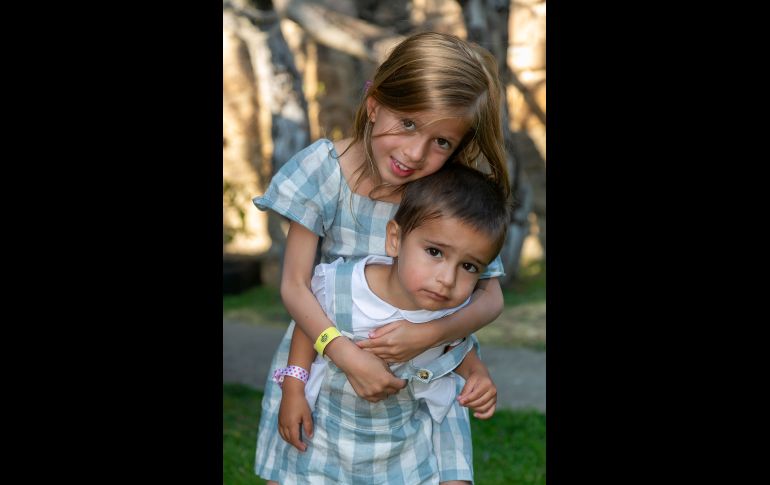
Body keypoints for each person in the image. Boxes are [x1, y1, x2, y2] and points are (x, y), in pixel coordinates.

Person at [252, 31, 510, 484]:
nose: (416, 154)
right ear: (374, 103)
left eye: (442, 142)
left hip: (420, 374)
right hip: (325, 363)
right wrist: (346, 357)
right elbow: (296, 286)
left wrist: (425, 334)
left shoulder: (444, 195)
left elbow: (489, 299)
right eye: (408, 123)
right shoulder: (323, 172)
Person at [270, 164, 509, 483]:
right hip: (329, 428)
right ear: (395, 240)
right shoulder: (345, 285)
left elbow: (456, 348)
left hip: (404, 439)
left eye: (468, 266)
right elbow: (307, 328)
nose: (446, 279)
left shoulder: (448, 310)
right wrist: (294, 389)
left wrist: (478, 375)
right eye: (435, 252)